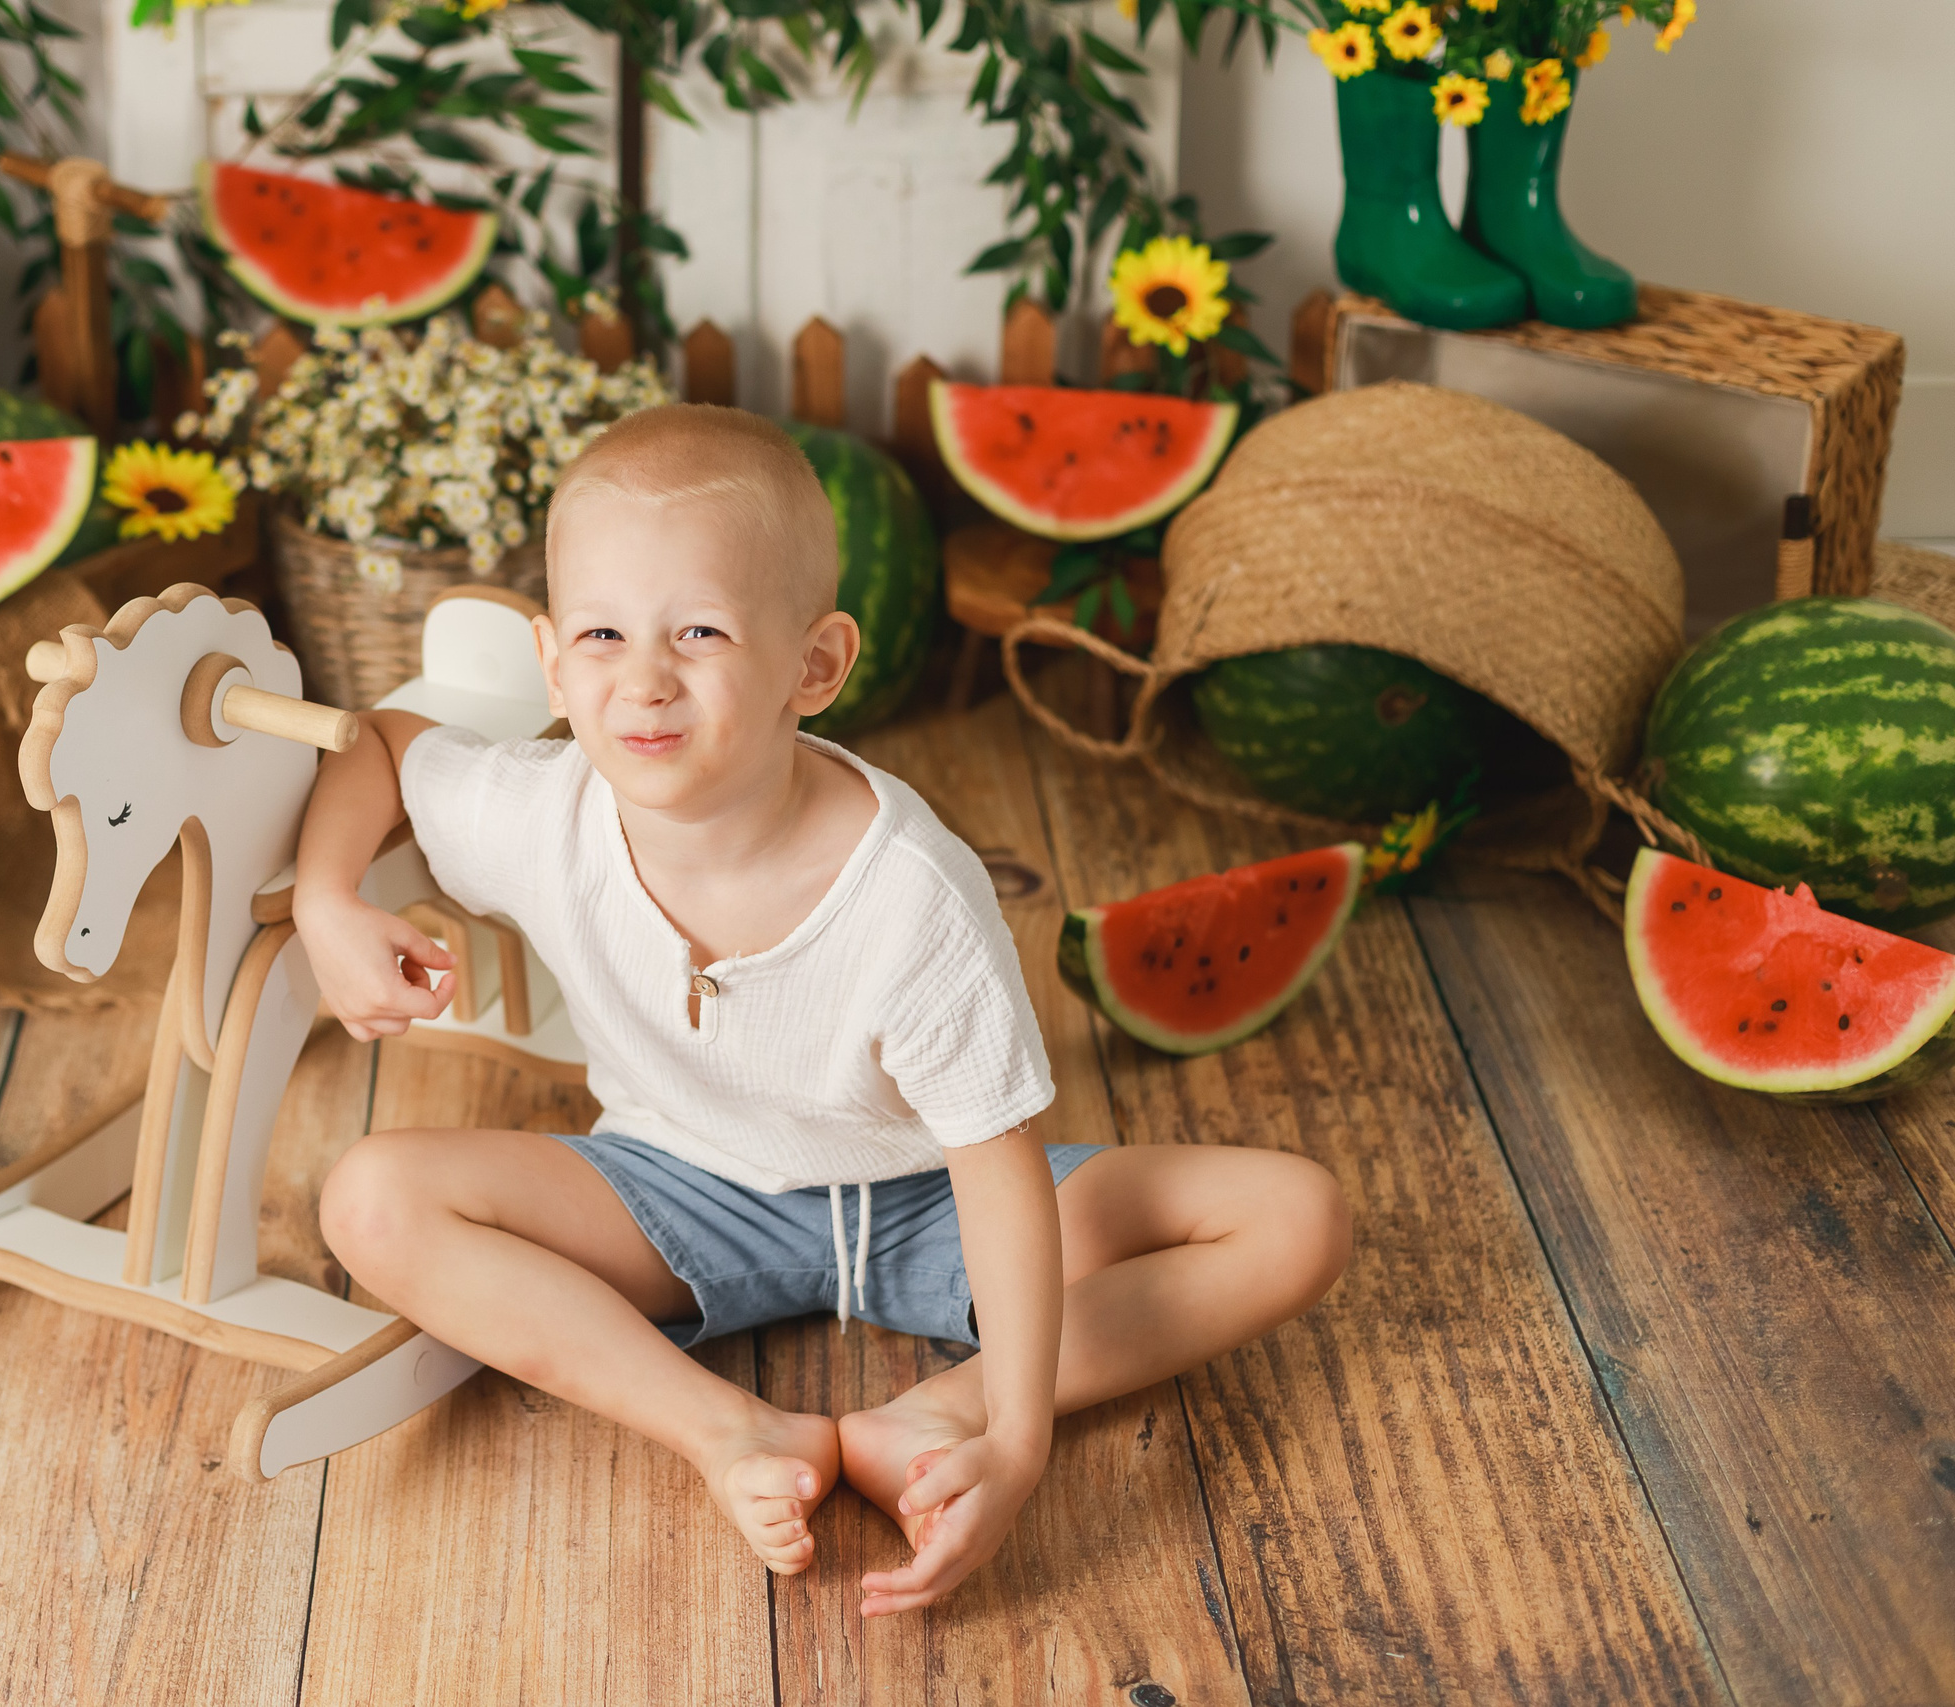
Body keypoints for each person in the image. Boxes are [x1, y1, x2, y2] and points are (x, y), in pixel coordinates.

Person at [292, 404, 1350, 1616]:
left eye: (699, 630)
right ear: (550, 662)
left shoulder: (912, 897)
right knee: (371, 1197)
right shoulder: (546, 811)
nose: (641, 678)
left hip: (923, 1203)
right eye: (599, 633)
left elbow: (997, 1174)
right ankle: (730, 1430)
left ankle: (934, 1413)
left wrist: (1012, 1435)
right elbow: (379, 741)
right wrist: (328, 899)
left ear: (816, 662)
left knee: (1294, 1218)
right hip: (672, 1193)